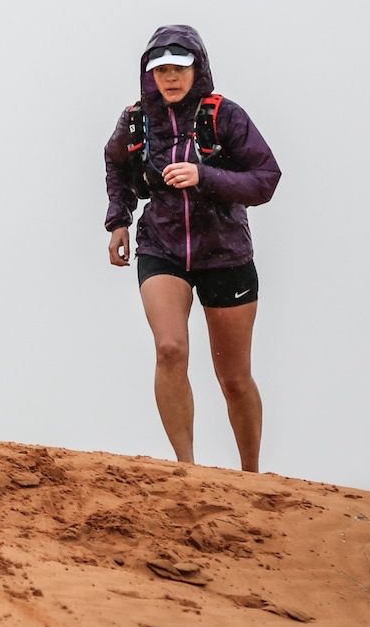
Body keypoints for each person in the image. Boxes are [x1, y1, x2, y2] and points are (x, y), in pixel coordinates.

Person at [103, 26, 281, 471]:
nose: (170, 78)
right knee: (169, 348)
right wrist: (119, 219)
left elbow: (266, 178)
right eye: (161, 69)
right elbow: (116, 162)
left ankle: (252, 478)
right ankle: (188, 471)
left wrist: (206, 176)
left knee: (234, 378)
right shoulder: (136, 118)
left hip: (226, 255)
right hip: (160, 247)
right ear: (149, 74)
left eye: (179, 68)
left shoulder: (224, 115)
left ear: (197, 68)